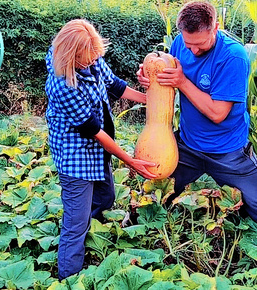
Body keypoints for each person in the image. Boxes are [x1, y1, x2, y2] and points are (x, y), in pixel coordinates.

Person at [137, 1, 257, 249]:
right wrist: (152, 79)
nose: (193, 51)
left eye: (200, 44)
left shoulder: (233, 56)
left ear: (215, 28)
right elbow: (167, 85)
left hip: (228, 152)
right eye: (189, 45)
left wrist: (182, 82)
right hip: (188, 146)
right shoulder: (180, 44)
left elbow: (218, 113)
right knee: (156, 193)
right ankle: (139, 241)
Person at [45, 19, 157, 280]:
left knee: (106, 198)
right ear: (72, 56)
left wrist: (151, 99)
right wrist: (130, 161)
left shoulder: (90, 56)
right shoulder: (62, 85)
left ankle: (90, 233)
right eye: (88, 59)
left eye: (95, 56)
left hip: (98, 152)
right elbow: (93, 130)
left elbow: (115, 85)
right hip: (76, 158)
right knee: (75, 225)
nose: (93, 61)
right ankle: (68, 278)